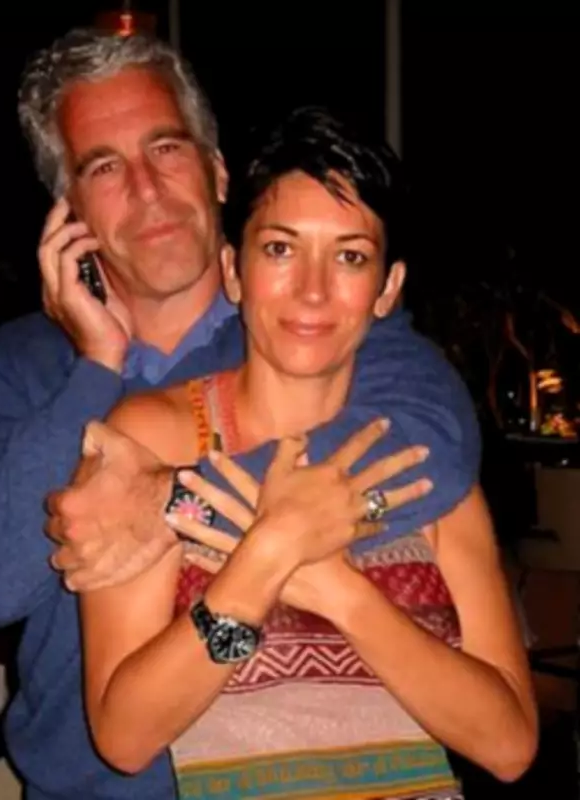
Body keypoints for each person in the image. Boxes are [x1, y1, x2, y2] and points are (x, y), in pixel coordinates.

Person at [0, 28, 480, 799]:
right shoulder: (25, 363)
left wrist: (170, 499)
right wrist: (95, 367)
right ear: (69, 209)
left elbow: (436, 452)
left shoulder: (311, 322)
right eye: (104, 167)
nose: (147, 188)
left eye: (166, 148)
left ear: (217, 170)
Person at [72, 106, 537, 799]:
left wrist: (338, 591)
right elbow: (124, 735)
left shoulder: (415, 454)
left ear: (387, 289)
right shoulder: (154, 442)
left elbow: (509, 745)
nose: (313, 290)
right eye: (281, 250)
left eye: (350, 257)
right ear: (233, 271)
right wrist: (264, 559)